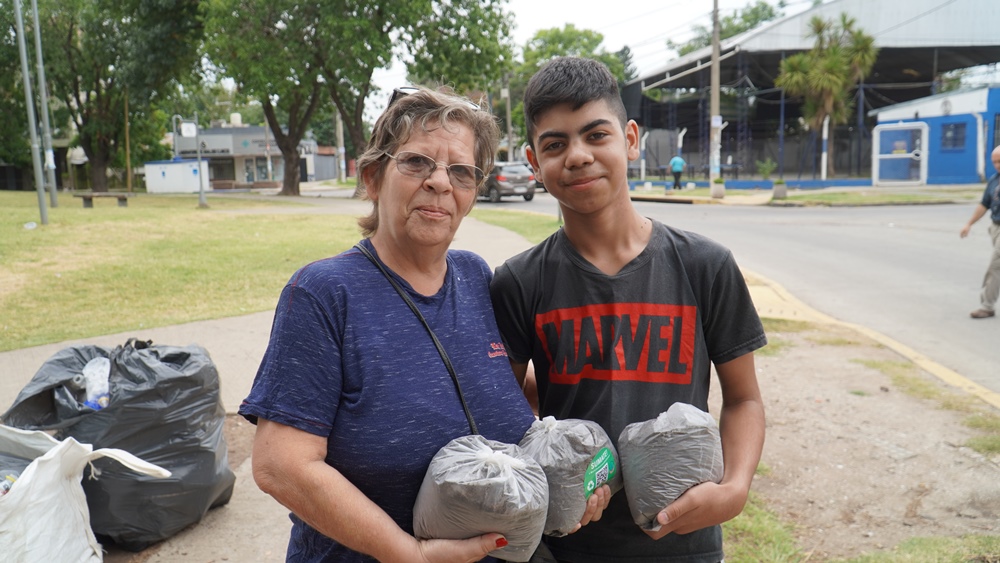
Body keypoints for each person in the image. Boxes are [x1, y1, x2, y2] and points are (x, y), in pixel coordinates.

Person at [238, 87, 562, 563]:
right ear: (372, 177)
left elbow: (487, 383)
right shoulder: (324, 293)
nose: (440, 183)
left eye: (461, 171)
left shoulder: (474, 276)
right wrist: (407, 552)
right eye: (416, 163)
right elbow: (280, 465)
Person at [490, 57, 767, 563]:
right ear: (534, 162)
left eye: (596, 135)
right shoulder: (519, 281)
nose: (577, 156)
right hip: (566, 540)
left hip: (686, 541)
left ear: (631, 139)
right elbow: (502, 406)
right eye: (555, 144)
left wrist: (735, 489)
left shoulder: (704, 265)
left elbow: (744, 399)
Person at [960, 144, 1000, 319]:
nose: (997, 165)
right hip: (996, 227)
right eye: (995, 162)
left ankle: (987, 305)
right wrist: (969, 223)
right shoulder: (994, 180)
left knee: (996, 265)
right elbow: (984, 204)